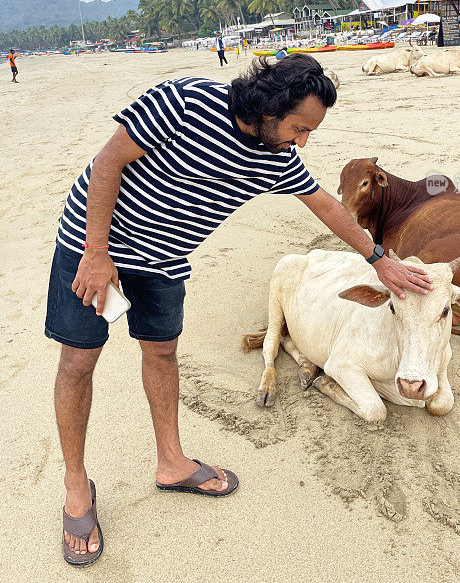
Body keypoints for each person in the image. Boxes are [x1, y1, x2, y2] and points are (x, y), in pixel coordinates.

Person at [46, 54, 433, 566]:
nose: (302, 141)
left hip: (163, 259)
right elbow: (108, 162)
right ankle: (77, 485)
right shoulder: (184, 102)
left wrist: (377, 258)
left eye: (309, 133)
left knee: (161, 354)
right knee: (78, 363)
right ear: (271, 104)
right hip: (93, 249)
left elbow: (327, 206)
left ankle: (172, 462)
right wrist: (96, 252)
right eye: (299, 127)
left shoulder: (277, 157)